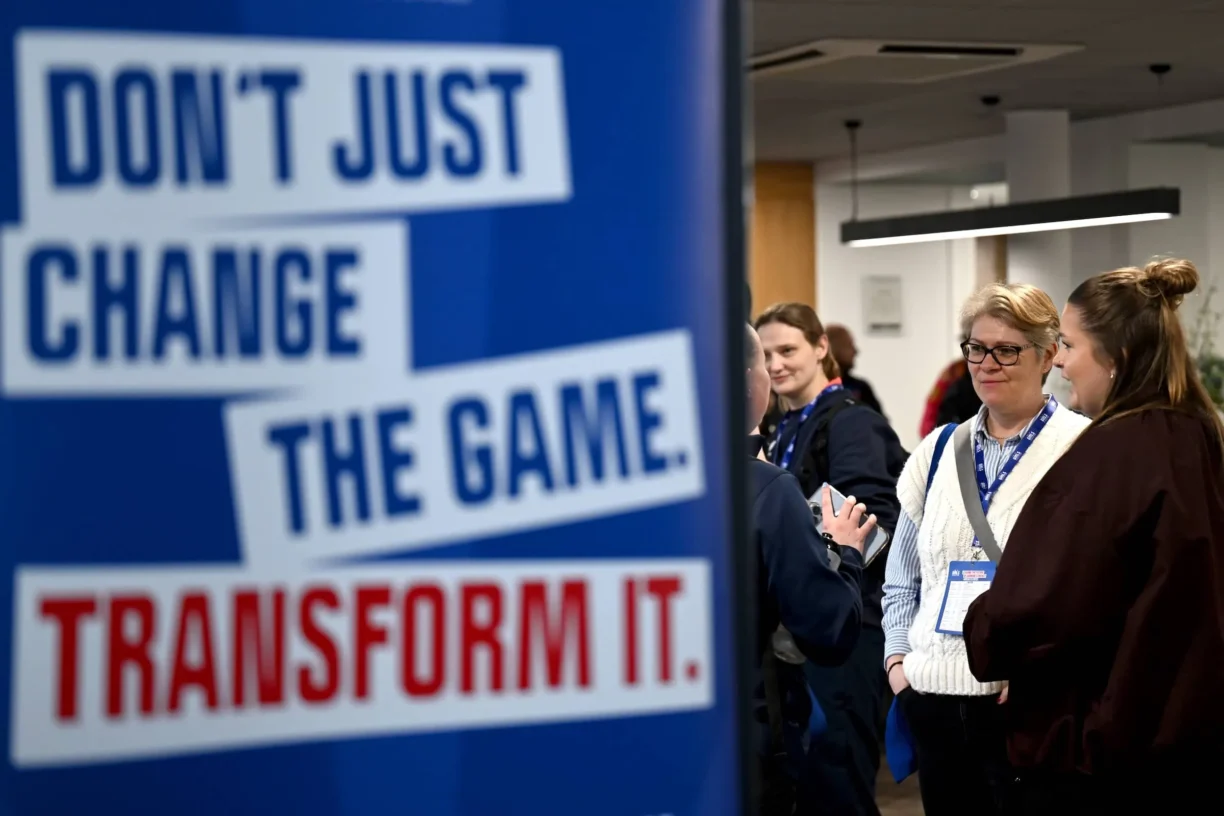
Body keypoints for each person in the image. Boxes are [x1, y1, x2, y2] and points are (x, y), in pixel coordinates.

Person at [963, 259, 1224, 815]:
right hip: (1187, 740)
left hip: (1100, 749)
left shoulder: (1111, 457)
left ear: (1117, 360)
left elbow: (1041, 602)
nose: (1057, 361)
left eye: (1069, 345)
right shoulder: (1198, 434)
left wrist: (982, 628)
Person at [881, 283, 1090, 816]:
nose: (987, 363)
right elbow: (903, 579)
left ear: (1047, 357)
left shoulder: (1083, 449)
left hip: (1024, 706)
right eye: (975, 348)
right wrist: (899, 664)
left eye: (1007, 350)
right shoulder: (936, 450)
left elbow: (1091, 592)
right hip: (931, 699)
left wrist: (1043, 675)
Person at [755, 303, 906, 816]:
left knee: (838, 780)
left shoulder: (852, 423)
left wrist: (812, 541)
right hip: (802, 629)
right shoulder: (779, 426)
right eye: (766, 354)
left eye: (788, 350)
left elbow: (873, 522)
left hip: (849, 624)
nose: (776, 364)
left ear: (821, 348)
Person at [826, 324, 885, 416]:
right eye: (850, 345)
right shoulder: (816, 388)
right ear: (835, 348)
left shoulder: (860, 388)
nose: (856, 351)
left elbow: (880, 424)